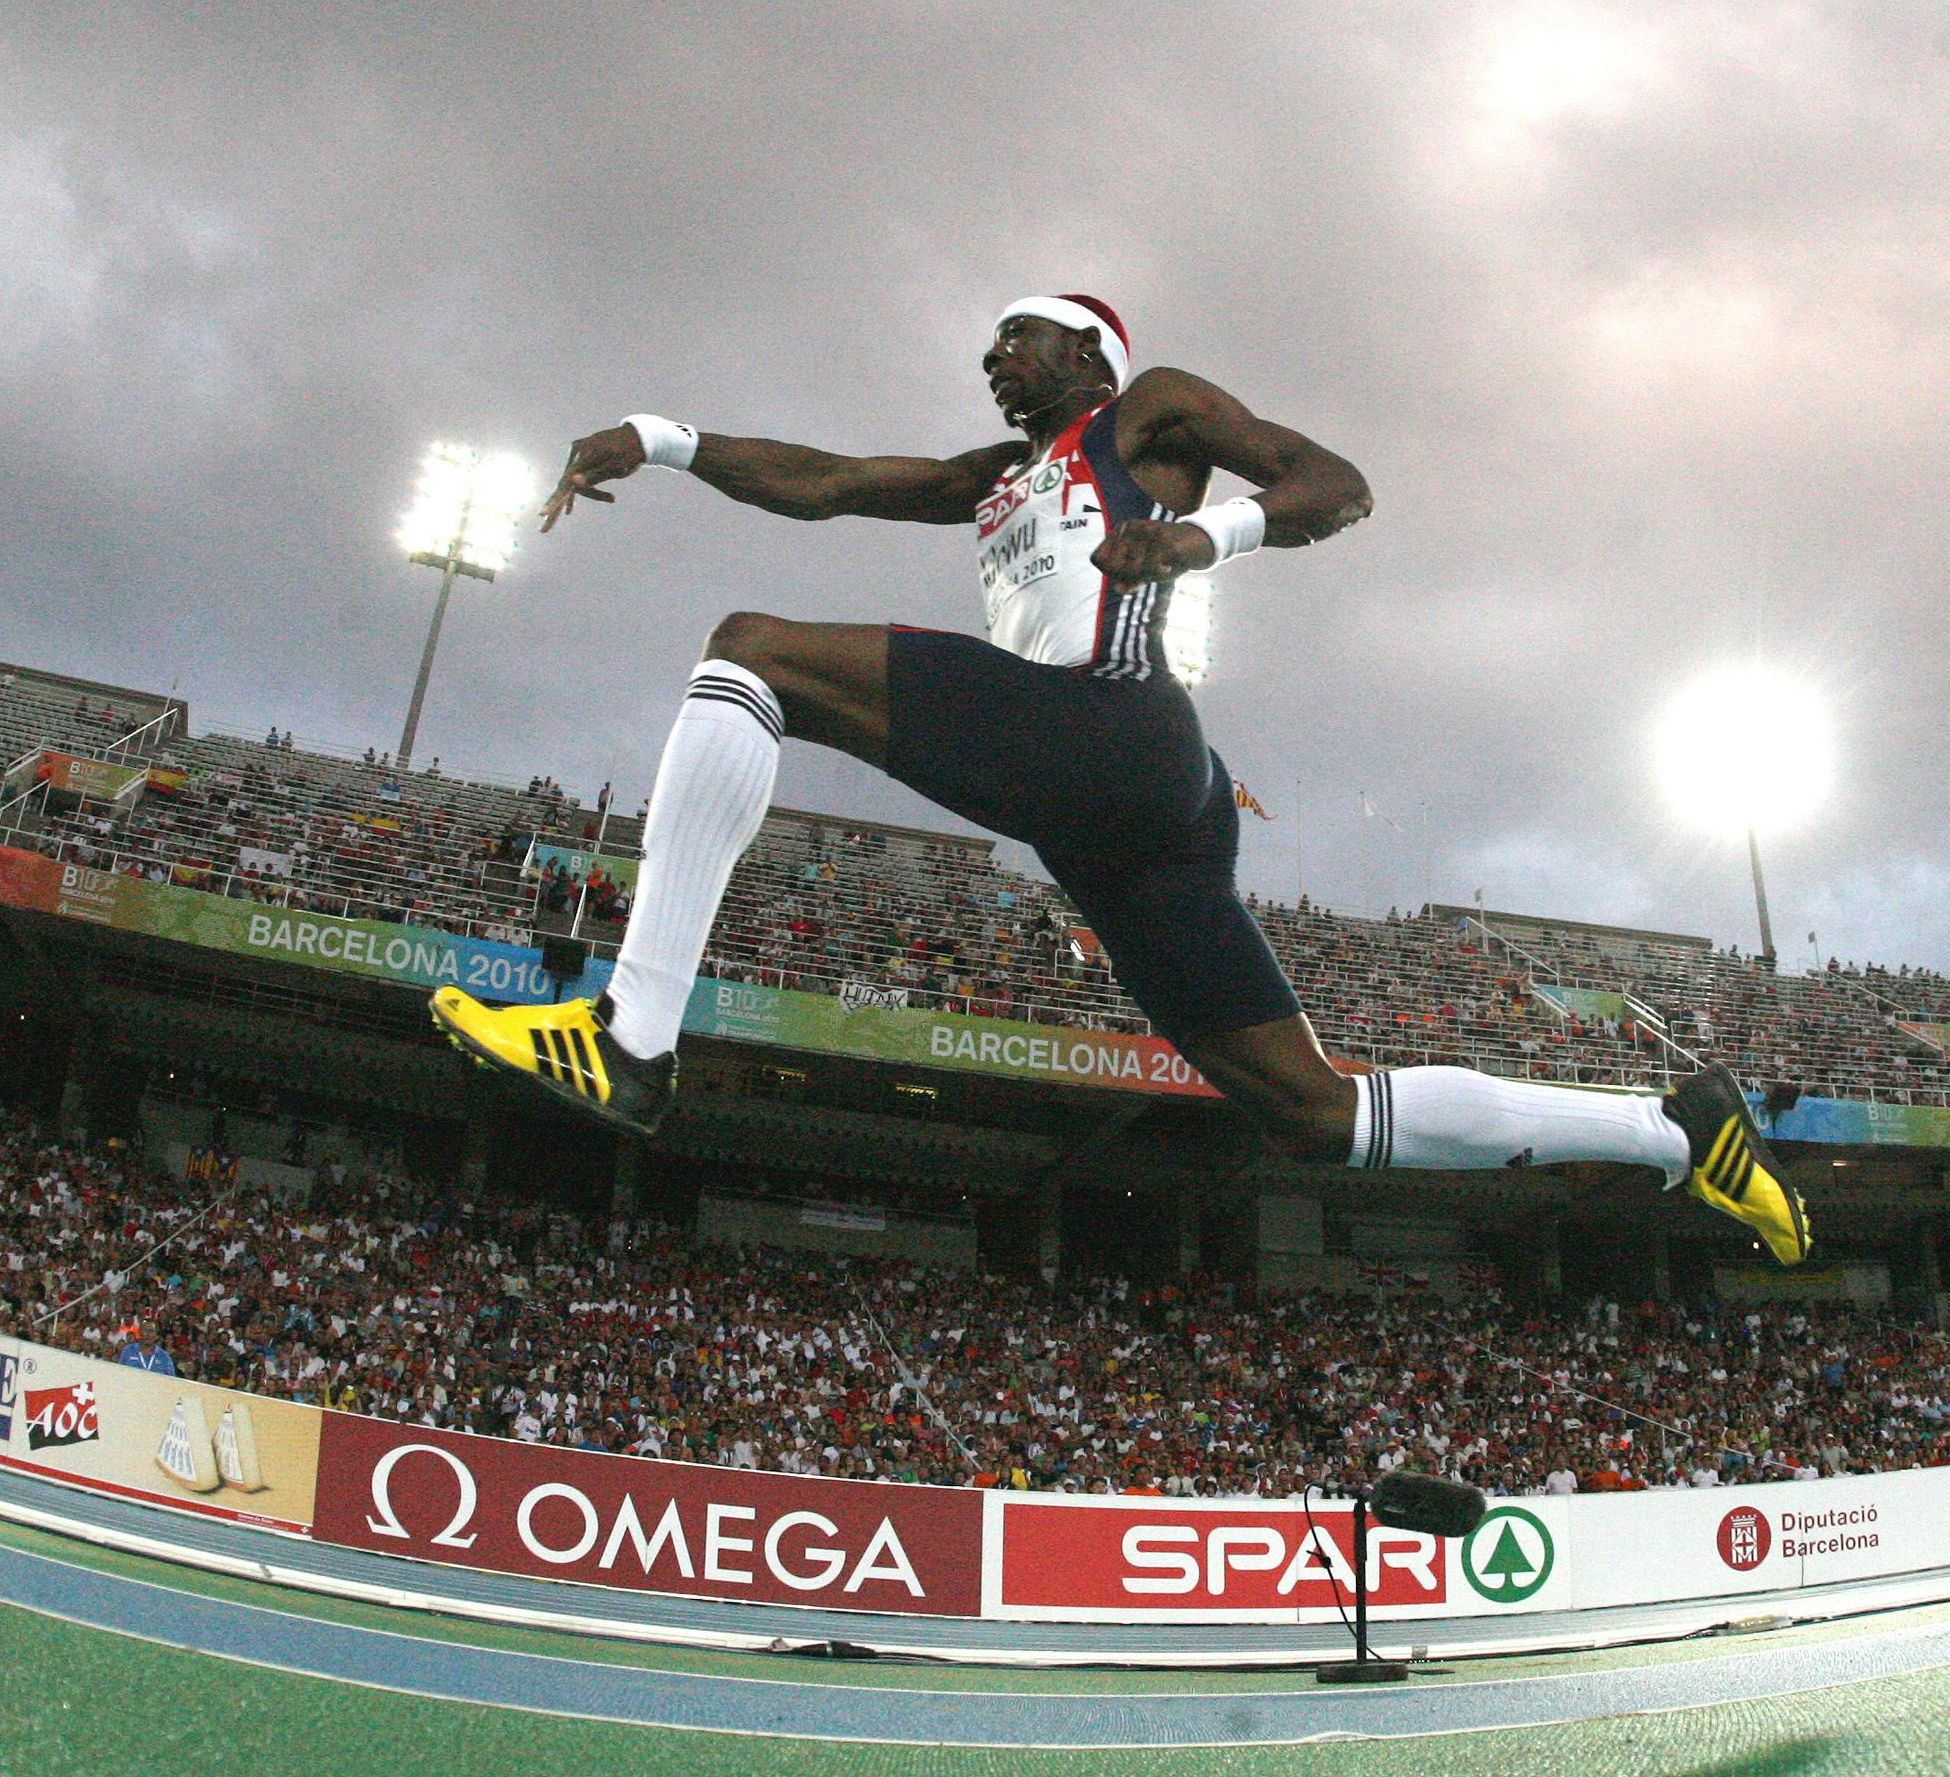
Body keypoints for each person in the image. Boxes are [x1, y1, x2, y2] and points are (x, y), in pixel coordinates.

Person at [429, 295, 1808, 1263]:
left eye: (1013, 336)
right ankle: (1678, 1133)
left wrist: (1205, 541)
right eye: (988, 347)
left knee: (753, 654)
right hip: (1131, 821)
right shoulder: (996, 473)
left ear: (1088, 345)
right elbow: (826, 479)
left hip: (1112, 728)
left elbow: (1338, 483)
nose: (992, 359)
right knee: (1309, 1111)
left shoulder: (1147, 413)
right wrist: (659, 439)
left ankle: (633, 1037)